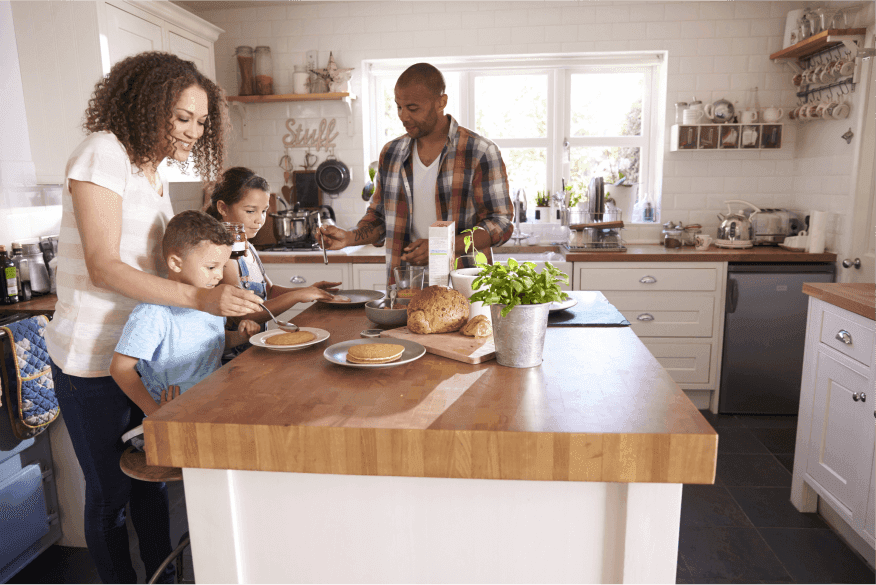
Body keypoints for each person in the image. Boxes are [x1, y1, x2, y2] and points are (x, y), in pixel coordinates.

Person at [44, 51, 263, 585]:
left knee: (151, 482)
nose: (192, 132)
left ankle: (164, 578)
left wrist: (227, 291)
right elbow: (103, 267)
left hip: (144, 357)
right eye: (182, 118)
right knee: (111, 495)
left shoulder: (154, 174)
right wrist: (199, 301)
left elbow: (171, 266)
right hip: (93, 360)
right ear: (145, 106)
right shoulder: (102, 153)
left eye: (201, 122)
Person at [319, 62, 514, 282]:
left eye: (413, 108)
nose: (403, 116)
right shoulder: (391, 153)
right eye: (399, 107)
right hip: (406, 288)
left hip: (467, 288)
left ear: (441, 102)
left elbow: (501, 223)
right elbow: (379, 217)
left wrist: (442, 246)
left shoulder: (479, 151)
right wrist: (348, 237)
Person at [110, 211, 261, 418]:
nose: (219, 275)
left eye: (222, 267)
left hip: (211, 404)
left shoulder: (211, 303)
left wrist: (240, 337)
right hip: (174, 416)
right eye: (211, 267)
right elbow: (120, 369)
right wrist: (155, 413)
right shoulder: (154, 313)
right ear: (176, 263)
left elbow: (210, 342)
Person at [205, 167, 339, 331]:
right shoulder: (221, 253)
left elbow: (271, 292)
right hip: (233, 354)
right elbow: (244, 316)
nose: (259, 220)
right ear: (223, 208)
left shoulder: (250, 248)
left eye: (264, 211)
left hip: (252, 345)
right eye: (250, 211)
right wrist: (297, 296)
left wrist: (309, 290)